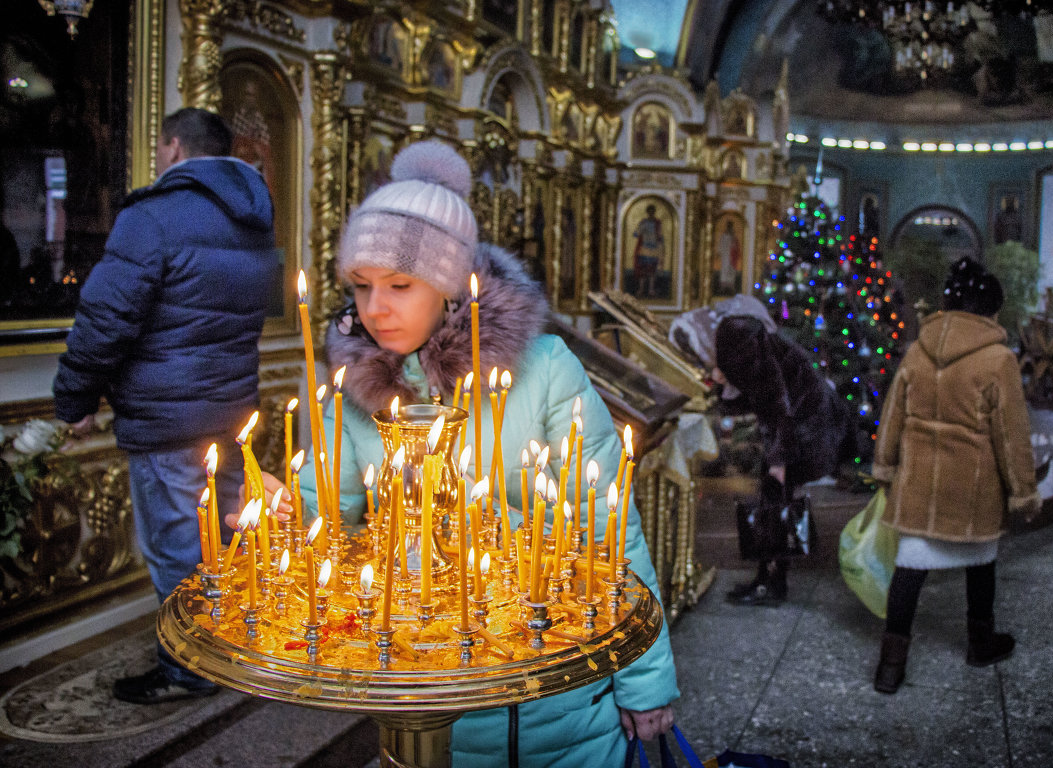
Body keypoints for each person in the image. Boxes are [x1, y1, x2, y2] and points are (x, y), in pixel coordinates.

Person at [300, 140, 678, 766]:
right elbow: (329, 524)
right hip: (429, 699)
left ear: (451, 289)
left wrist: (644, 679)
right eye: (361, 287)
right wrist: (285, 520)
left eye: (400, 283)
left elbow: (609, 531)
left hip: (558, 694)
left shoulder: (545, 370)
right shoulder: (352, 393)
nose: (375, 308)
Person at [53, 108, 279, 704]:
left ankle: (190, 670)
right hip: (230, 415)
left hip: (166, 419)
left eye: (158, 147)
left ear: (173, 147)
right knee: (223, 546)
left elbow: (105, 317)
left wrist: (74, 398)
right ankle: (232, 652)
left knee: (178, 551)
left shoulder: (153, 217)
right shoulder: (254, 218)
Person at [870, 257, 1040, 694]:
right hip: (973, 489)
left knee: (910, 568)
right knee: (981, 564)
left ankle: (890, 666)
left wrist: (885, 467)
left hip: (919, 486)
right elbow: (1011, 435)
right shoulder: (998, 358)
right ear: (988, 311)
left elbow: (892, 416)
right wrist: (1023, 492)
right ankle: (980, 643)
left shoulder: (916, 349)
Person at [670, 296, 853, 605]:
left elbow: (775, 403)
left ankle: (771, 583)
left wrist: (778, 462)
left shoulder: (738, 344)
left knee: (774, 502)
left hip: (804, 423)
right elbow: (756, 395)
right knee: (774, 501)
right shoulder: (736, 342)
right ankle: (766, 578)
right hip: (803, 418)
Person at [631, 204, 664, 297]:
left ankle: (651, 289)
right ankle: (641, 289)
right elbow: (636, 234)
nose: (651, 213)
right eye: (649, 211)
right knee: (643, 269)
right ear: (647, 212)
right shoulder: (644, 222)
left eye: (652, 211)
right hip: (645, 248)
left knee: (652, 270)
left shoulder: (657, 223)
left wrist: (660, 244)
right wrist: (641, 230)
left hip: (654, 248)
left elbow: (660, 236)